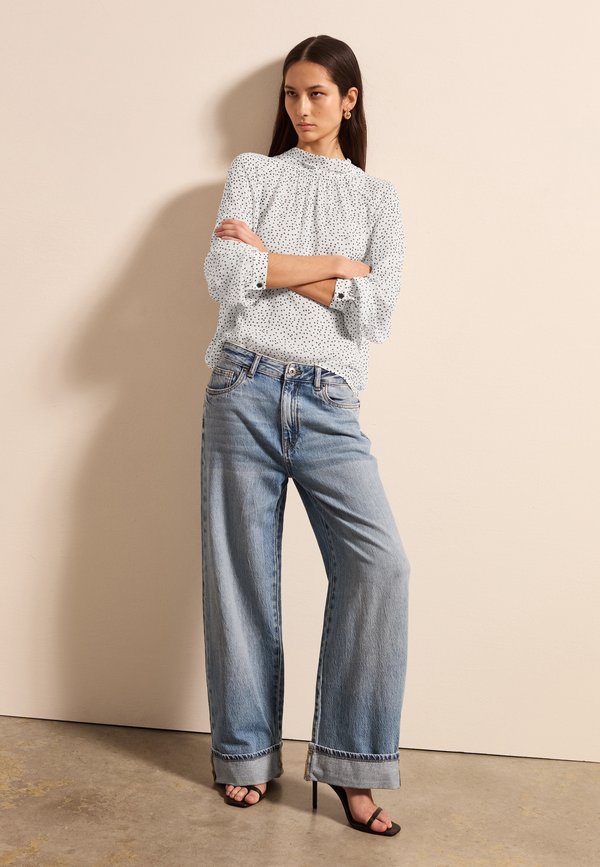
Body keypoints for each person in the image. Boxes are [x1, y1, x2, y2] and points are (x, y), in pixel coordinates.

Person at [201, 34, 410, 838]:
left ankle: (353, 763)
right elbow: (225, 277)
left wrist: (274, 263)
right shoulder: (253, 173)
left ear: (349, 101)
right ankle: (246, 753)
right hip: (241, 385)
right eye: (291, 93)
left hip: (328, 400)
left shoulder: (379, 199)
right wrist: (336, 269)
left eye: (318, 93)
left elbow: (376, 315)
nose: (301, 108)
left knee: (380, 566)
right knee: (240, 578)